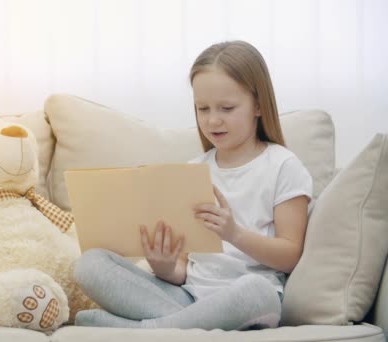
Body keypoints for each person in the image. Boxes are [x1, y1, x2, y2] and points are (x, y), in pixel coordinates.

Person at [73, 40, 313, 330]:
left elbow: (289, 256)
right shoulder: (193, 170)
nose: (213, 120)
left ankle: (144, 331)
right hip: (188, 298)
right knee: (90, 264)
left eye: (227, 108)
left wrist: (234, 233)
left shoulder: (283, 166)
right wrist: (163, 264)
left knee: (257, 290)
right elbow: (184, 270)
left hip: (247, 301)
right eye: (202, 108)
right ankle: (179, 326)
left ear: (259, 105)